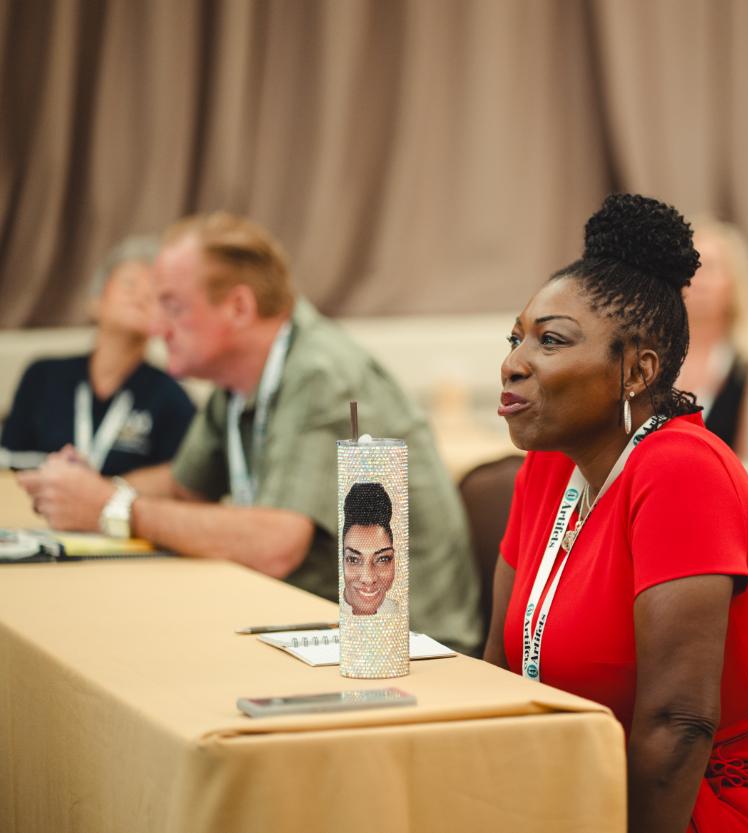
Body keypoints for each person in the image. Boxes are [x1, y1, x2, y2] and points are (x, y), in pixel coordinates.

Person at [484, 194, 748, 833]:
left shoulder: (682, 471)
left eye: (550, 340)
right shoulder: (549, 465)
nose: (513, 363)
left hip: (744, 802)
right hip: (600, 786)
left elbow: (680, 725)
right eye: (516, 338)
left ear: (637, 371)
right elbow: (502, 670)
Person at [17, 212, 481, 652]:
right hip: (313, 622)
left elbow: (275, 544)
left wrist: (110, 507)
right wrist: (88, 489)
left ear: (238, 307)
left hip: (402, 644)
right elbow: (182, 486)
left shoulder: (320, 372)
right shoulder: (239, 380)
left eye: (172, 306)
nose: (156, 327)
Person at [2, 236, 195, 475]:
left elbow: (178, 483)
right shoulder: (43, 376)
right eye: (130, 284)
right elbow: (9, 460)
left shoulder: (172, 398)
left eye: (154, 291)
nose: (142, 295)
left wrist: (105, 490)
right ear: (96, 301)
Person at [676, 218, 748, 466]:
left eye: (710, 268)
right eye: (690, 267)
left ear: (734, 283)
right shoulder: (649, 366)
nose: (699, 280)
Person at [341, 481, 399, 617]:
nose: (368, 579)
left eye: (382, 559)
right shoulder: (328, 610)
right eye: (353, 560)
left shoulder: (396, 614)